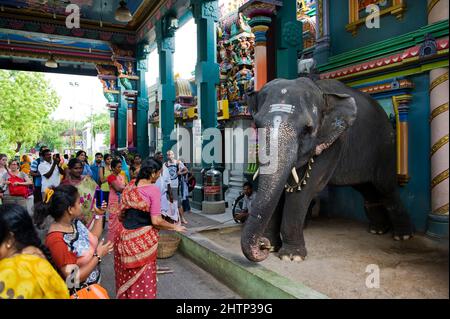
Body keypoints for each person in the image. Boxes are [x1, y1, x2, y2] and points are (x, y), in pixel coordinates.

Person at [114, 158, 186, 299]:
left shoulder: (130, 185)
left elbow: (121, 214)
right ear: (153, 173)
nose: (159, 175)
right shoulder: (153, 190)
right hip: (142, 243)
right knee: (144, 279)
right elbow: (156, 220)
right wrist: (174, 226)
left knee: (126, 277)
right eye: (159, 172)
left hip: (124, 237)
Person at [34, 185, 113, 297]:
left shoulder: (74, 223)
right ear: (70, 210)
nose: (81, 204)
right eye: (79, 202)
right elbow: (72, 279)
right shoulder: (56, 241)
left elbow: (93, 238)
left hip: (92, 288)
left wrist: (99, 214)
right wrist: (98, 256)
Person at [0, 204, 70, 299]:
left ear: (9, 240)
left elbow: (73, 275)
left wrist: (97, 256)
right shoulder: (38, 259)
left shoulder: (8, 271)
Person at [61, 158, 99, 228]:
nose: (79, 170)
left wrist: (99, 209)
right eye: (76, 168)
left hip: (90, 217)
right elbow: (63, 204)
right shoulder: (65, 184)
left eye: (80, 168)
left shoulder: (87, 179)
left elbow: (98, 192)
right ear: (70, 169)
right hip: (72, 219)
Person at [164, 150, 188, 224]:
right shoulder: (165, 164)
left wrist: (180, 173)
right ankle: (171, 219)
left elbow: (186, 170)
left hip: (175, 185)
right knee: (169, 203)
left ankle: (182, 218)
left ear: (173, 155)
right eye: (168, 155)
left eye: (171, 154)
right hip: (167, 186)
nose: (170, 156)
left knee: (178, 203)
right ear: (167, 156)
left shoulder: (178, 162)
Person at [106, 159, 127, 242]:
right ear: (113, 168)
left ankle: (118, 239)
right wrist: (128, 188)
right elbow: (117, 188)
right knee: (113, 220)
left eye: (121, 167)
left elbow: (123, 187)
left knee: (120, 220)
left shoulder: (121, 176)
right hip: (113, 201)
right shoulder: (111, 177)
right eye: (118, 167)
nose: (120, 168)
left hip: (121, 200)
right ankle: (111, 242)